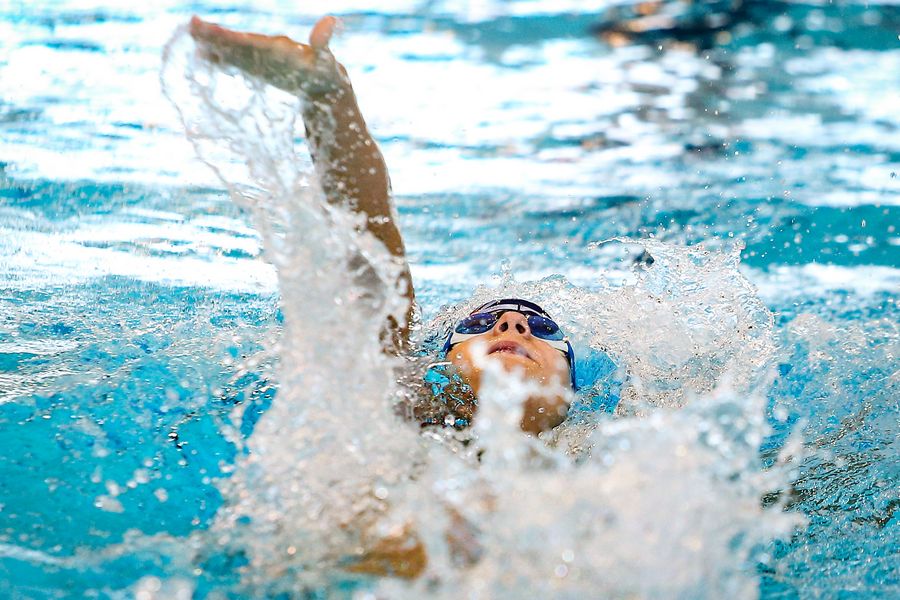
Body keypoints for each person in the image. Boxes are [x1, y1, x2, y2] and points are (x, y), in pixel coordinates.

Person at [187, 14, 578, 576]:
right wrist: (329, 100)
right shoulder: (399, 412)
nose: (512, 327)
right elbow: (372, 265)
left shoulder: (623, 457)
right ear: (443, 365)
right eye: (481, 324)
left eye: (542, 329)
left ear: (571, 388)